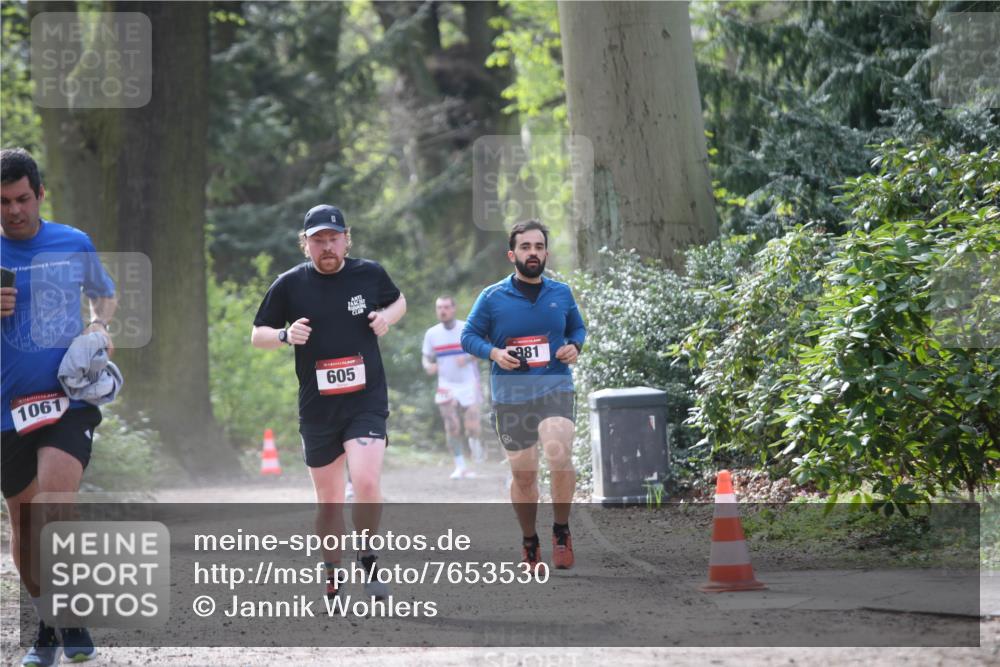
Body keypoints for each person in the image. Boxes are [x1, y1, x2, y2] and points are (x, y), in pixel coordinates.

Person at [251, 204, 405, 601]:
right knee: (330, 502)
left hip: (366, 400)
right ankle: (332, 569)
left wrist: (387, 318)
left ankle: (369, 558)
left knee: (368, 481)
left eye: (333, 238)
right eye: (318, 240)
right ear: (305, 245)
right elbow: (258, 335)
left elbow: (399, 301)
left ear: (346, 238)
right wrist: (285, 336)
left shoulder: (369, 273)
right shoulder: (289, 284)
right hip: (318, 407)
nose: (327, 246)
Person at [1, 147, 117, 666]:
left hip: (66, 402)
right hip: (5, 412)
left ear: (40, 194)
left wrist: (97, 326)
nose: (14, 210)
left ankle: (60, 617)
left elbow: (104, 295)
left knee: (54, 500)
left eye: (23, 198)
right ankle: (51, 622)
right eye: (3, 202)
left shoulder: (73, 243)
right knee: (24, 528)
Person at [461, 220, 585, 570]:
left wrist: (575, 345)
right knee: (525, 475)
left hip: (555, 385)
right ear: (512, 254)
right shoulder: (492, 297)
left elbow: (577, 327)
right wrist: (494, 353)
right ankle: (530, 540)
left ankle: (561, 530)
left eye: (539, 246)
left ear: (546, 252)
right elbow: (468, 336)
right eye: (526, 247)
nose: (533, 253)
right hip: (511, 395)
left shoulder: (561, 293)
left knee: (558, 451)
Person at [422, 295, 485, 479]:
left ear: (453, 309)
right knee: (451, 425)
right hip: (446, 384)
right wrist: (427, 365)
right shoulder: (432, 334)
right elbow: (426, 356)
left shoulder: (466, 328)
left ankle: (476, 446)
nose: (443, 311)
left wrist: (466, 358)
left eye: (446, 307)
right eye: (439, 307)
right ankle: (460, 466)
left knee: (472, 426)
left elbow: (482, 350)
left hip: (468, 383)